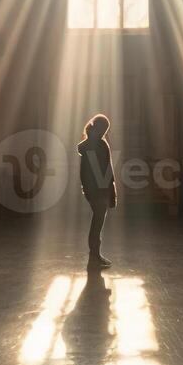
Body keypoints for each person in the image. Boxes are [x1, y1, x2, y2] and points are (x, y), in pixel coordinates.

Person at [76, 113, 116, 268]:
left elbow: (88, 172)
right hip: (99, 190)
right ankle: (95, 257)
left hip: (92, 190)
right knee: (97, 223)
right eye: (105, 128)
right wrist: (108, 192)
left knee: (97, 222)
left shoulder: (87, 145)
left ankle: (95, 256)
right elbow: (105, 172)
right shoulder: (99, 144)